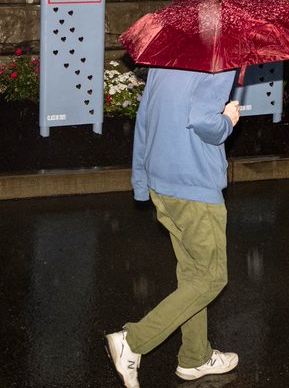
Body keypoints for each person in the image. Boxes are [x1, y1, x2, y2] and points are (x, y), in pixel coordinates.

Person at [105, 67, 243, 387]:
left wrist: (141, 183)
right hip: (194, 188)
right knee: (211, 277)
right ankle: (133, 341)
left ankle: (194, 358)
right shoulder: (217, 65)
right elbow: (204, 122)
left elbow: (145, 120)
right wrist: (227, 119)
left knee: (193, 276)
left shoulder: (164, 65)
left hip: (162, 185)